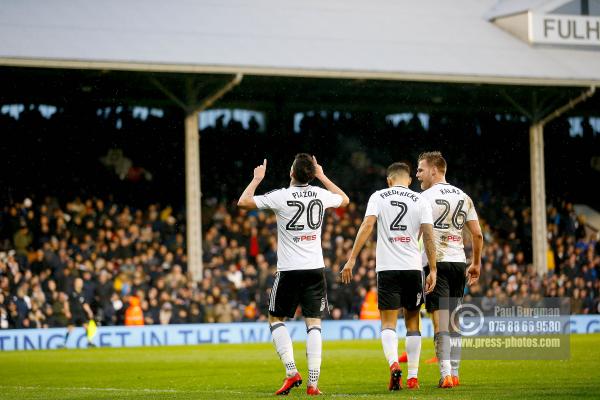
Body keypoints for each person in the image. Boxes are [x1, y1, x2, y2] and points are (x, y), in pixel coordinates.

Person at [238, 154, 349, 396]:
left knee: (275, 319)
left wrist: (257, 179)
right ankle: (313, 383)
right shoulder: (320, 194)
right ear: (310, 174)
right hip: (315, 268)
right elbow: (345, 199)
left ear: (291, 173)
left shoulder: (281, 196)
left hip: (289, 269)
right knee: (314, 324)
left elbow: (243, 202)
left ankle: (291, 372)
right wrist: (322, 176)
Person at [341, 162, 437, 391]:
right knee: (414, 323)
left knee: (388, 323)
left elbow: (367, 225)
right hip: (413, 269)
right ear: (409, 180)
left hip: (387, 269)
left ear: (389, 180)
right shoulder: (420, 200)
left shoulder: (378, 196)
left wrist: (352, 258)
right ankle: (413, 377)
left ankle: (394, 364)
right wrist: (432, 269)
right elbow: (429, 236)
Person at [415, 151, 483, 388]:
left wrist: (428, 266)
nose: (418, 175)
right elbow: (477, 234)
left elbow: (419, 234)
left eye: (421, 169)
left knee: (439, 322)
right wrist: (476, 263)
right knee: (455, 322)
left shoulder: (423, 198)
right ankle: (455, 372)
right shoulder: (464, 197)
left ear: (434, 170)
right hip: (458, 262)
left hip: (436, 263)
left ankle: (445, 376)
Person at [64, 277, 96, 348]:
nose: (80, 284)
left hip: (81, 313)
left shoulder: (83, 293)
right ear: (75, 283)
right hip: (73, 313)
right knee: (70, 327)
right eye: (79, 283)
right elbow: (66, 302)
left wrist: (89, 311)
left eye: (81, 283)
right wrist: (67, 311)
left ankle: (89, 342)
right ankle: (64, 343)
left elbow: (85, 304)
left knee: (86, 327)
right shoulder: (70, 292)